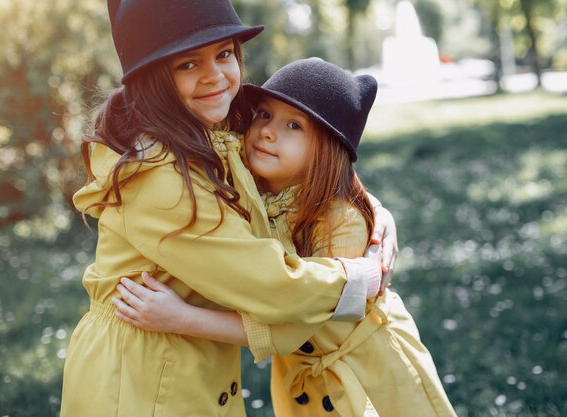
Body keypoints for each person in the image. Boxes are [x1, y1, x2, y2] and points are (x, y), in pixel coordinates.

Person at [60, 2, 397, 417]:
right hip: (140, 380)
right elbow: (270, 283)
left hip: (185, 365)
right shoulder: (155, 178)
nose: (214, 76)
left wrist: (372, 213)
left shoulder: (208, 124)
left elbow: (320, 156)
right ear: (152, 79)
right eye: (187, 63)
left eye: (223, 54)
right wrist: (357, 276)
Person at [113, 58, 458, 417]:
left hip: (373, 377)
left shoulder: (342, 222)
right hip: (303, 382)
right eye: (263, 114)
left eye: (294, 125)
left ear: (328, 149)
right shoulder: (250, 192)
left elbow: (293, 326)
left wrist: (181, 318)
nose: (267, 131)